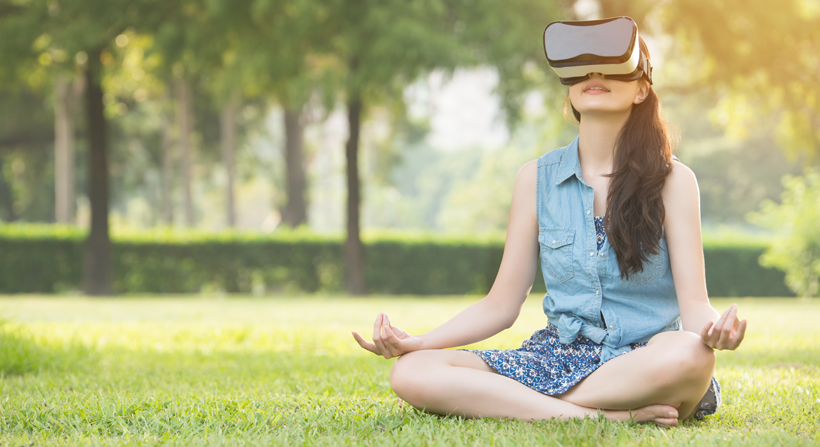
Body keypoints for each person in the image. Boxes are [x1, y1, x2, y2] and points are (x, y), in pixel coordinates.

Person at [351, 29, 747, 427]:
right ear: (570, 89)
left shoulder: (675, 181)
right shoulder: (534, 179)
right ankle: (605, 417)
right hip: (553, 357)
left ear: (642, 90)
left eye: (611, 69)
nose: (595, 75)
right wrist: (419, 342)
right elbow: (500, 305)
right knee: (410, 371)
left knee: (692, 355)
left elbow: (694, 305)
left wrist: (714, 333)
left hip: (643, 357)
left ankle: (528, 404)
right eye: (582, 70)